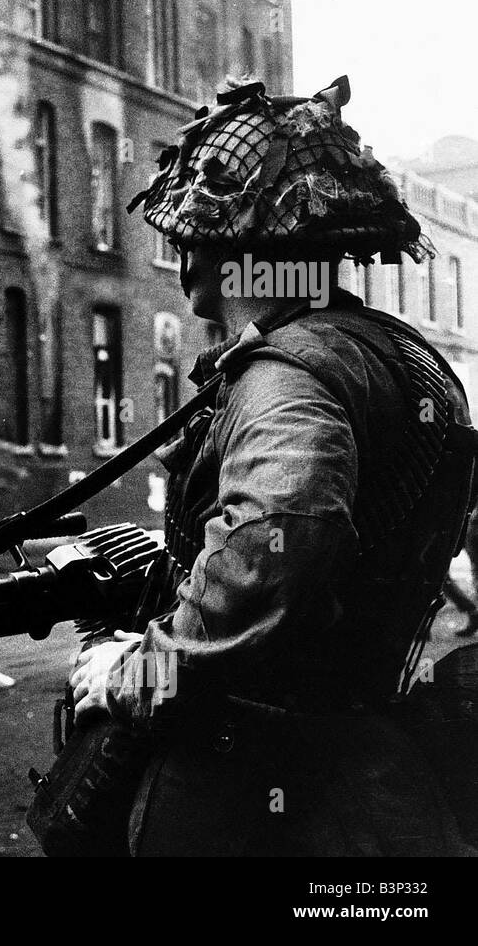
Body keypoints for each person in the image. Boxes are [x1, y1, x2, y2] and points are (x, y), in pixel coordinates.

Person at [68, 76, 478, 855]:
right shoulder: (392, 355)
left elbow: (281, 539)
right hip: (365, 766)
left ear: (241, 246)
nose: (182, 244)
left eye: (196, 227)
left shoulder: (288, 374)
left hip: (249, 789)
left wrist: (136, 673)